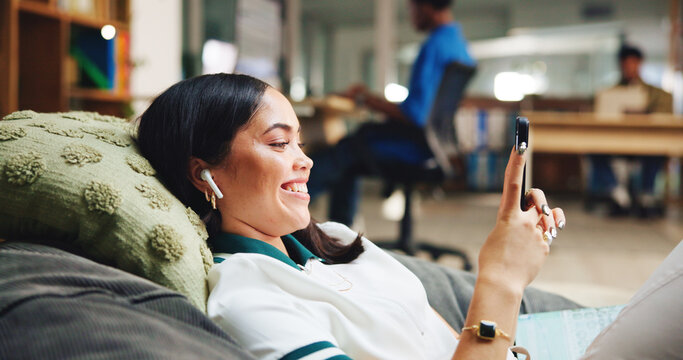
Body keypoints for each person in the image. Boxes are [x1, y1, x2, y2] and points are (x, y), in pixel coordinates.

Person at [136, 73, 566, 360]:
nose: (305, 161)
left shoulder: (337, 239)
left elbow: (450, 341)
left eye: (299, 143)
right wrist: (501, 282)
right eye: (279, 144)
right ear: (204, 174)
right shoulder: (248, 296)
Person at [306, 0, 476, 226]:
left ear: (424, 6)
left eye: (412, 9)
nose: (411, 15)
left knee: (345, 151)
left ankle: (280, 211)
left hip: (414, 146)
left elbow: (416, 114)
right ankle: (339, 238)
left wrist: (364, 99)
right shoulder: (458, 43)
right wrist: (370, 99)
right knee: (351, 152)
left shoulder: (435, 46)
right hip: (434, 145)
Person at [589, 44, 673, 218]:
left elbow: (664, 118)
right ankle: (619, 194)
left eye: (633, 64)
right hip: (617, 143)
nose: (629, 68)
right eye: (625, 64)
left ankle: (646, 196)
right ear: (620, 66)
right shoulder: (609, 93)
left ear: (640, 64)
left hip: (646, 144)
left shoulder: (658, 95)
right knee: (594, 149)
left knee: (656, 150)